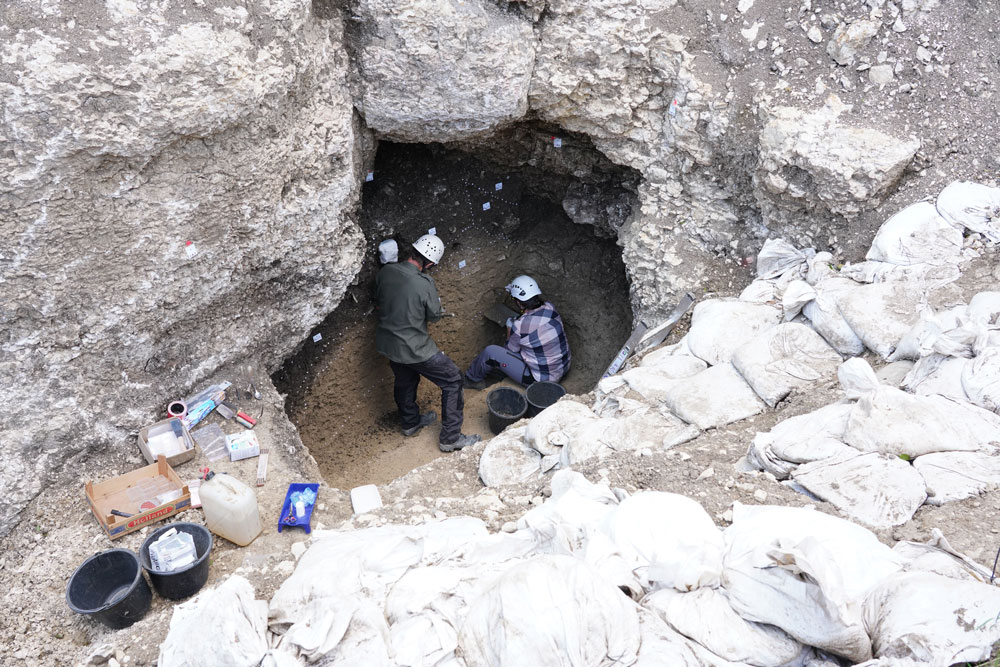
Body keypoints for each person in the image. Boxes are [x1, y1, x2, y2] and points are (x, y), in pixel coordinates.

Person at [375, 234, 481, 452]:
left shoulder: (386, 272)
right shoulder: (425, 283)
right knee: (452, 380)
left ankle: (410, 423)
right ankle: (450, 438)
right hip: (415, 348)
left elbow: (379, 300)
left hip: (389, 345)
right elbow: (433, 315)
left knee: (405, 379)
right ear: (430, 263)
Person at [464, 275, 571, 389]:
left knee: (491, 352)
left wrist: (510, 328)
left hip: (540, 381)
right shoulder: (550, 308)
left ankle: (472, 380)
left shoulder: (519, 326)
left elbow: (510, 351)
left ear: (519, 303)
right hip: (563, 367)